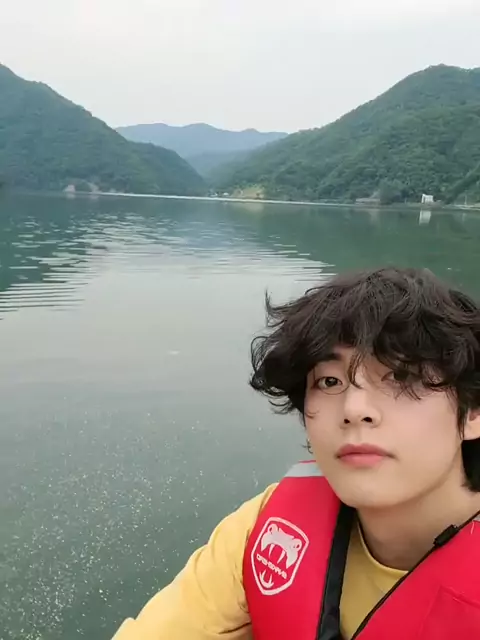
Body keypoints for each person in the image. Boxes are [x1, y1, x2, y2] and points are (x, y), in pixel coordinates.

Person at [112, 266, 480, 640]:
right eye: (329, 381)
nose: (354, 409)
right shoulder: (267, 529)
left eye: (401, 377)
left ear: (474, 412)